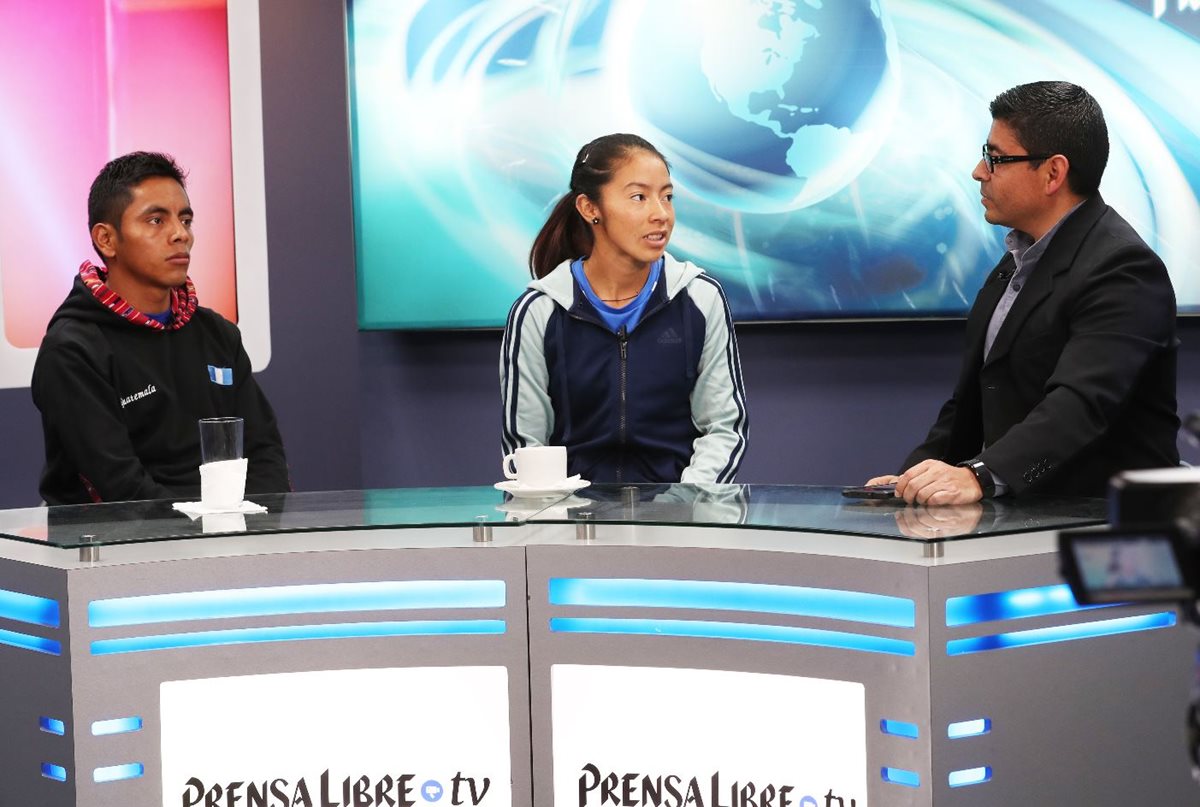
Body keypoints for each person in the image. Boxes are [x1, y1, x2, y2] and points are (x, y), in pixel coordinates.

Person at [868, 81, 1179, 504]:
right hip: (1023, 522)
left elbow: (1079, 406)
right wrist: (910, 481)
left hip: (1104, 531)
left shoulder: (1123, 269)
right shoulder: (1018, 259)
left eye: (995, 159)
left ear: (1053, 173)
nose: (979, 172)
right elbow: (970, 404)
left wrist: (978, 476)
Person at [32, 151, 290, 505]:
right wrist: (198, 534)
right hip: (119, 549)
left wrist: (254, 525)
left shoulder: (218, 335)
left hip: (227, 542)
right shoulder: (73, 349)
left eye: (185, 220)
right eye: (156, 220)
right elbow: (117, 485)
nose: (180, 235)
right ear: (107, 240)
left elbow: (264, 454)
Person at [500, 134, 748, 484]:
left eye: (667, 197)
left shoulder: (700, 297)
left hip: (679, 518)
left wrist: (685, 504)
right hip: (571, 523)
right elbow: (525, 445)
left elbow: (725, 428)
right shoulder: (539, 311)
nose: (661, 214)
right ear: (590, 209)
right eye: (639, 197)